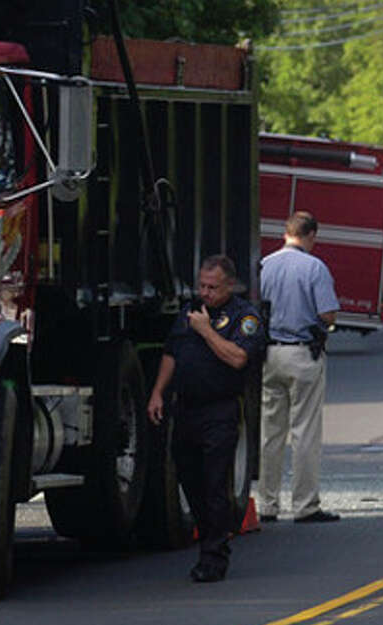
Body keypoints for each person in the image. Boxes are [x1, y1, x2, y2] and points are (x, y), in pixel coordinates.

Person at [146, 255, 265, 582]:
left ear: (230, 285)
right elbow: (172, 352)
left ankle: (213, 557)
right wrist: (158, 392)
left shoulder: (244, 316)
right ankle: (210, 533)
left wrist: (207, 330)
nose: (205, 293)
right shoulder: (189, 311)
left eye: (213, 287)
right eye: (202, 285)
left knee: (215, 484)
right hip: (186, 408)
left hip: (220, 410)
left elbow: (239, 357)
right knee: (188, 478)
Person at [259, 210, 342, 524]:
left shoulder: (265, 265)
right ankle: (305, 505)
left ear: (285, 233)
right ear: (311, 236)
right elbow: (328, 314)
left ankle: (267, 504)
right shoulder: (314, 267)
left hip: (269, 354)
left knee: (270, 433)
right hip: (303, 355)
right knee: (305, 432)